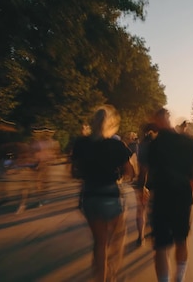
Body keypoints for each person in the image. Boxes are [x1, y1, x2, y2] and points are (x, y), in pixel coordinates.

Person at [147, 108, 193, 282]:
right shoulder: (187, 141)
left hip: (161, 199)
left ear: (156, 121)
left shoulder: (154, 144)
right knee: (181, 241)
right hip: (182, 198)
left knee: (161, 247)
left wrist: (144, 191)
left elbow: (148, 174)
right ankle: (179, 278)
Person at [71, 105, 134, 282]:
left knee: (99, 242)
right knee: (119, 235)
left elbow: (74, 172)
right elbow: (130, 172)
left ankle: (101, 276)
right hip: (111, 195)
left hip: (90, 195)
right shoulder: (116, 145)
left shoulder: (81, 143)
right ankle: (113, 268)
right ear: (110, 124)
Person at [133, 123, 158, 245]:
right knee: (157, 209)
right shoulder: (160, 145)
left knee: (141, 209)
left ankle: (140, 236)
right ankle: (156, 232)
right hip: (158, 182)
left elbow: (142, 167)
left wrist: (141, 184)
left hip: (144, 181)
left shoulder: (141, 146)